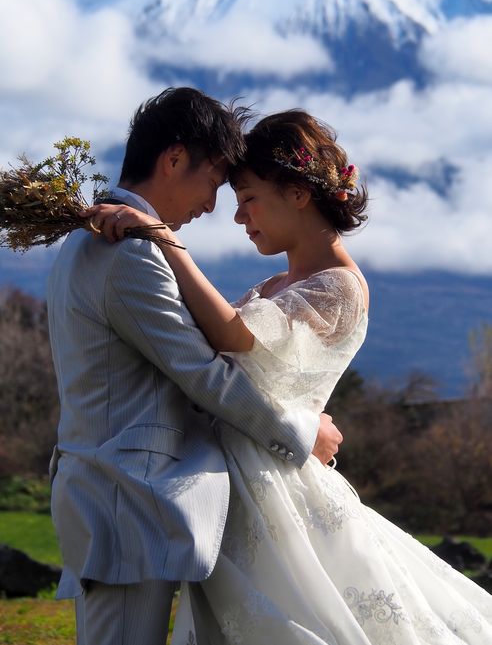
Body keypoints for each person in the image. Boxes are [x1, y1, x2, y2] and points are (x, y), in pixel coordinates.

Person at [88, 109, 492, 644]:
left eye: (249, 199)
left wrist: (163, 240)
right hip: (234, 478)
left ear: (298, 192)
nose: (238, 217)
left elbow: (233, 338)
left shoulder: (340, 287)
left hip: (277, 487)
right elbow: (203, 340)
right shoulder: (275, 282)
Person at [46, 89, 343, 645]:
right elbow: (205, 375)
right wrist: (304, 432)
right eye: (214, 181)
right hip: (124, 502)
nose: (213, 206)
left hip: (114, 498)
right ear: (175, 158)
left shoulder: (104, 235)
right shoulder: (127, 251)